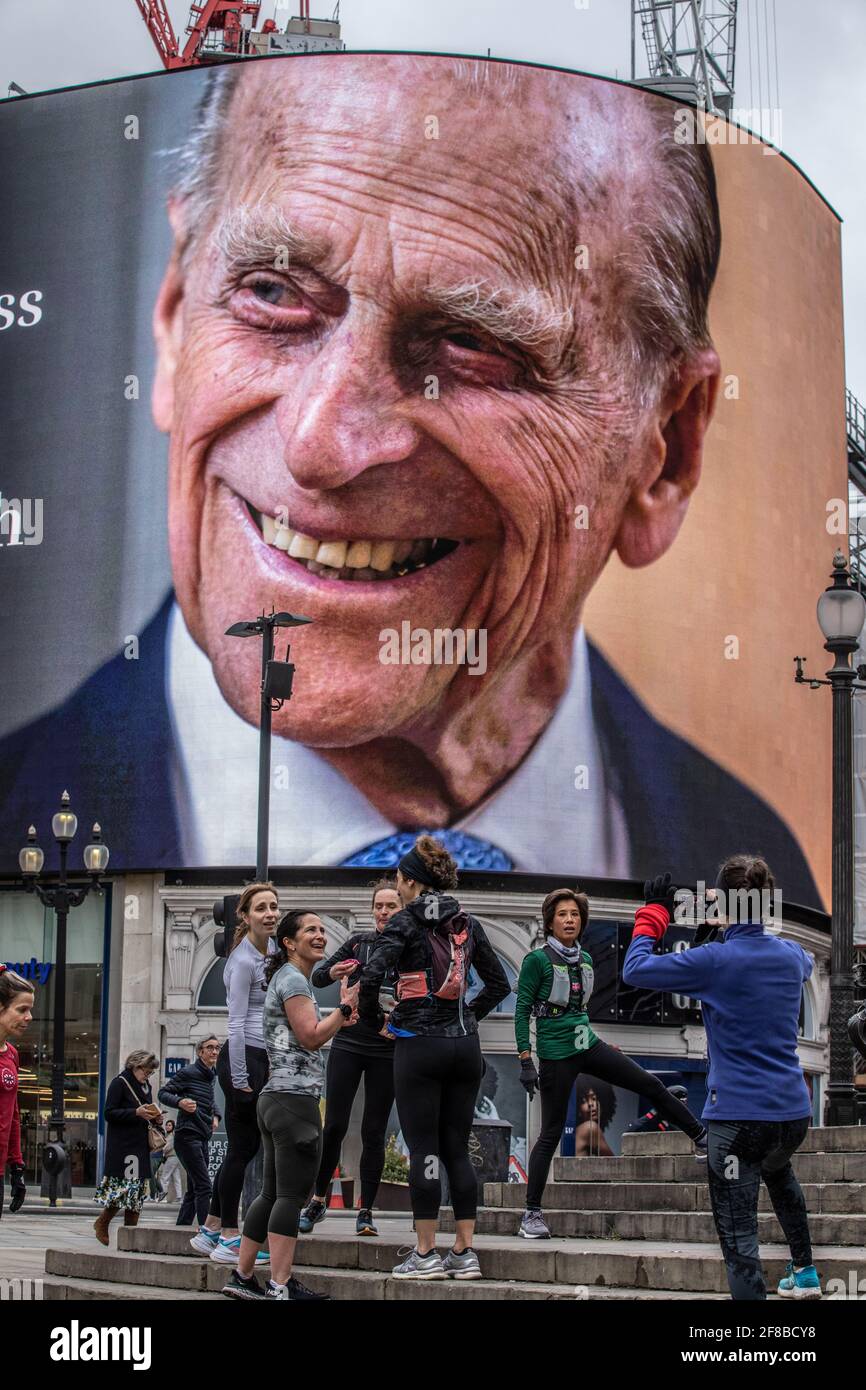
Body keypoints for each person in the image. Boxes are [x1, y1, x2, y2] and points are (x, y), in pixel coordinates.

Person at [0, 58, 821, 916]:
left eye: (472, 344)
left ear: (667, 451)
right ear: (174, 316)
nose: (320, 442)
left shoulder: (766, 883)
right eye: (272, 293)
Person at [622, 858, 821, 1301]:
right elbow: (803, 963)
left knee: (739, 1238)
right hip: (792, 1116)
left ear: (724, 902)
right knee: (778, 1169)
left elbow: (634, 968)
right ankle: (805, 1271)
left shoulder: (712, 960)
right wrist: (728, 934)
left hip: (736, 1120)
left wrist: (654, 912)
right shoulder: (792, 955)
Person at [357, 835, 510, 1281]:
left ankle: (425, 1253)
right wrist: (467, 1015)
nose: (397, 888)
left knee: (423, 1149)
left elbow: (370, 976)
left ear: (409, 881)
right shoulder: (468, 922)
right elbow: (498, 985)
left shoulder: (405, 923)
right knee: (457, 1150)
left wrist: (378, 1020)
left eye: (399, 880)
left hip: (419, 1045)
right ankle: (464, 1252)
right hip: (465, 1049)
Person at [516, 887, 706, 1239]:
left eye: (574, 914)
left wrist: (600, 1043)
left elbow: (579, 1009)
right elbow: (521, 1011)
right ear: (550, 922)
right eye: (562, 914)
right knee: (551, 1133)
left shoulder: (586, 959)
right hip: (555, 1055)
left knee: (648, 1083)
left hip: (586, 1044)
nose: (569, 919)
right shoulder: (536, 961)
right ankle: (531, 1214)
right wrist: (526, 1059)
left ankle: (700, 1137)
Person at [222, 909, 360, 1300]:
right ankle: (280, 1285)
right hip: (294, 1100)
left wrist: (339, 1018)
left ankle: (243, 1276)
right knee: (290, 1197)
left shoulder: (288, 978)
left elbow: (303, 1036)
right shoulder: (294, 980)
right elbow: (311, 1036)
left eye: (321, 929)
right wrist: (344, 1009)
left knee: (269, 1194)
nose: (320, 935)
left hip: (277, 1097)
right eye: (310, 930)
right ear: (288, 942)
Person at [300, 877, 401, 1237]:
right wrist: (336, 971)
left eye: (391, 906)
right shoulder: (360, 943)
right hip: (349, 1041)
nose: (384, 911)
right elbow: (319, 976)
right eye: (379, 906)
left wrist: (401, 1019)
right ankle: (317, 1200)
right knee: (335, 1126)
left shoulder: (412, 948)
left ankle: (367, 1211)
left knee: (374, 1130)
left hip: (387, 1047)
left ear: (403, 910)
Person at [191, 882, 276, 1266]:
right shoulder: (241, 959)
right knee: (243, 1149)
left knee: (244, 1149)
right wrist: (241, 1077)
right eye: (261, 908)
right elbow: (237, 1024)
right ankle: (228, 1236)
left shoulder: (271, 950)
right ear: (244, 916)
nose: (270, 913)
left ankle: (210, 1227)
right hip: (244, 1057)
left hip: (260, 1055)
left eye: (274, 906)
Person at [95, 1049, 162, 1245]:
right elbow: (109, 1113)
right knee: (126, 1189)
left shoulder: (146, 1086)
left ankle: (130, 1234)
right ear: (135, 1066)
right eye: (146, 1071)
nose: (148, 1075)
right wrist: (135, 1112)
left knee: (137, 1190)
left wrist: (155, 1116)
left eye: (151, 1072)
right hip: (124, 1147)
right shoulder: (120, 1083)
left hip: (140, 1145)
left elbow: (144, 1112)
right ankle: (103, 1222)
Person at [158, 1036, 221, 1227]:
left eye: (217, 1048)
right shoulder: (189, 1072)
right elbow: (163, 1093)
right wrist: (180, 1102)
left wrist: (216, 1115)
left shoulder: (211, 1075)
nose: (215, 1051)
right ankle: (207, 1233)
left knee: (194, 1189)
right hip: (187, 1136)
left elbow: (209, 1101)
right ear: (200, 1051)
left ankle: (182, 1228)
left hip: (202, 1135)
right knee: (204, 1186)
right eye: (210, 1047)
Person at [0, 966, 33, 1219]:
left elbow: (12, 1114)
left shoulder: (11, 1054)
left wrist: (17, 1165)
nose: (29, 1017)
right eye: (22, 1009)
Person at [157, 1120, 184, 1203]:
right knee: (176, 1178)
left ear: (173, 1127)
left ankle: (163, 1197)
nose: (167, 1126)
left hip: (172, 1157)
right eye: (167, 1125)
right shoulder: (168, 1135)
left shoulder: (172, 1135)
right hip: (174, 1158)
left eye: (169, 1125)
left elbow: (166, 1147)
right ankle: (179, 1197)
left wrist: (159, 1151)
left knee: (164, 1177)